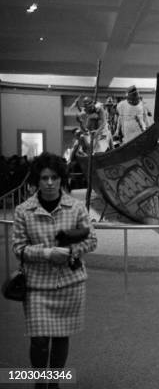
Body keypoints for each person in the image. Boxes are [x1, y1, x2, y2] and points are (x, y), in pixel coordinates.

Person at [12, 152, 97, 388]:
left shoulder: (76, 207)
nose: (49, 183)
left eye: (54, 178)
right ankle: (40, 383)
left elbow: (92, 241)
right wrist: (46, 253)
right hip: (37, 285)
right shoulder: (23, 211)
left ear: (62, 179)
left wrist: (70, 252)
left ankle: (55, 382)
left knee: (61, 337)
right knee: (39, 340)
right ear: (36, 181)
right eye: (44, 178)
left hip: (70, 283)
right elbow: (18, 248)